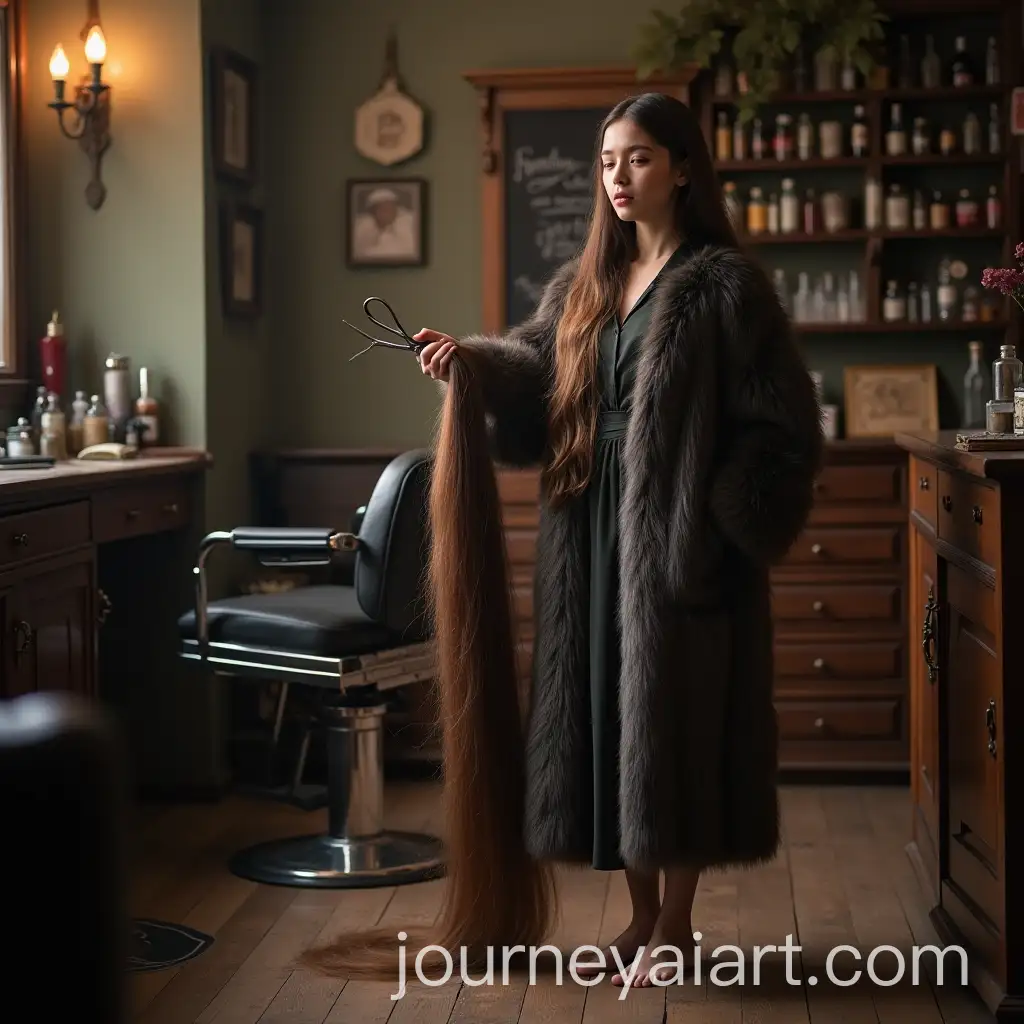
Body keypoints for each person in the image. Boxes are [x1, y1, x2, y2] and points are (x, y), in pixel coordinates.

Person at [414, 93, 823, 987]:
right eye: (607, 161)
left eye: (637, 158)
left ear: (682, 168)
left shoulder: (726, 285)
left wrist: (713, 525)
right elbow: (535, 371)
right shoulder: (584, 283)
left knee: (677, 723)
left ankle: (676, 927)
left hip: (678, 540)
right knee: (607, 714)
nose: (618, 177)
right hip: (585, 524)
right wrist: (471, 361)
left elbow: (784, 427)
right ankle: (640, 920)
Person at [353, 187, 417, 259]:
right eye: (382, 208)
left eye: (390, 207)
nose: (387, 211)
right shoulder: (363, 227)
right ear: (373, 211)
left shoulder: (409, 222)